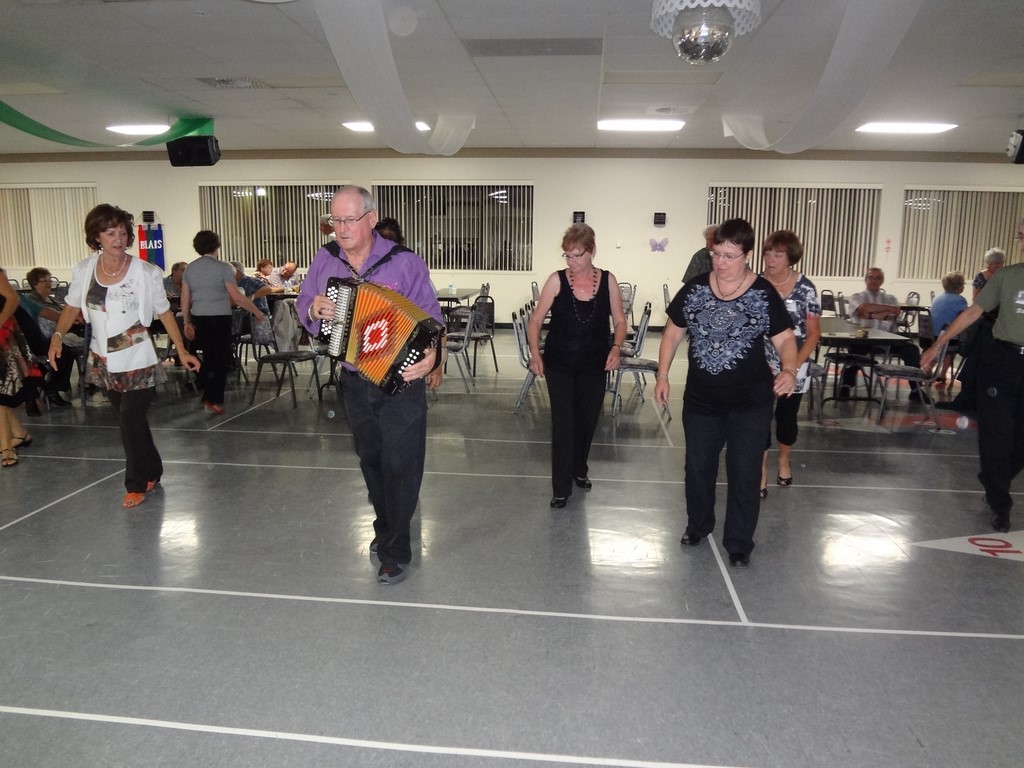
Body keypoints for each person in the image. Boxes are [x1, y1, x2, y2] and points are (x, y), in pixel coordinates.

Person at [297, 185, 445, 585]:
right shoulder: (325, 260)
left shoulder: (405, 263)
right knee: (372, 462)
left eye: (348, 220)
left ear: (370, 218)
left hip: (400, 381)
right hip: (354, 379)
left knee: (402, 464)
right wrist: (312, 306)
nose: (340, 229)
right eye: (334, 221)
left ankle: (396, 550)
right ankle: (387, 527)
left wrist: (433, 355)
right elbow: (304, 299)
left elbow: (432, 320)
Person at [654, 218, 797, 567]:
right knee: (698, 467)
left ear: (747, 255)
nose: (721, 262)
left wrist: (790, 370)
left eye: (730, 256)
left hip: (750, 402)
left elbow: (786, 339)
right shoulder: (695, 289)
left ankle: (739, 541)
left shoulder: (763, 293)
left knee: (744, 470)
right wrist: (662, 374)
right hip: (702, 400)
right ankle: (698, 525)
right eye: (716, 254)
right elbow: (673, 332)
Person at [48, 204, 201, 507]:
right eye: (110, 232)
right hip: (102, 359)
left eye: (122, 232)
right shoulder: (84, 270)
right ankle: (154, 469)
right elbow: (71, 308)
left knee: (130, 419)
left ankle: (135, 484)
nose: (118, 238)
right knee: (132, 421)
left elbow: (164, 312)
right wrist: (56, 337)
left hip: (138, 357)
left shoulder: (145, 272)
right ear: (97, 237)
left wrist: (181, 349)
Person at [921, 218, 1024, 534]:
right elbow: (973, 312)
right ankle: (999, 503)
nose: (1021, 238)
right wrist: (938, 345)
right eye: (1021, 233)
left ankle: (995, 477)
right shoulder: (1007, 276)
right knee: (995, 434)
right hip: (1003, 361)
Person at [526, 223, 627, 509]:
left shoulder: (607, 281)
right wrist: (536, 353)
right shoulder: (556, 280)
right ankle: (561, 487)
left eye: (577, 255)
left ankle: (579, 468)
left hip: (595, 363)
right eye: (567, 256)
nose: (572, 262)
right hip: (559, 363)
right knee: (563, 424)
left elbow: (620, 321)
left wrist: (616, 348)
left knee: (587, 420)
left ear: (592, 251)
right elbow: (535, 320)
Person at [757, 231, 821, 496]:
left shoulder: (806, 288)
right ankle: (760, 469)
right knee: (758, 418)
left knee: (786, 418)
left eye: (778, 254)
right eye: (768, 252)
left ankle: (784, 458)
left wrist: (792, 367)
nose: (770, 259)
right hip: (759, 363)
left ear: (791, 257)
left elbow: (814, 332)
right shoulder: (755, 284)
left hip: (795, 363)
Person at [180, 231, 265, 415]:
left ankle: (208, 393)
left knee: (209, 356)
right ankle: (213, 398)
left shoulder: (190, 269)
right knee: (220, 358)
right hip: (220, 318)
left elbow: (185, 299)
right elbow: (236, 296)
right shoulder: (223, 268)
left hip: (199, 317)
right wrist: (256, 311)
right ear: (217, 246)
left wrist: (187, 322)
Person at [840, 267, 925, 400]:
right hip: (864, 338)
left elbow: (895, 311)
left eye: (877, 278)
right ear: (866, 279)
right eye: (871, 277)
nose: (874, 280)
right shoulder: (857, 297)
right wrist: (883, 311)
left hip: (888, 338)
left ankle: (916, 389)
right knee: (855, 352)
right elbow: (863, 308)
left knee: (911, 350)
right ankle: (845, 386)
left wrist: (870, 314)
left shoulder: (890, 298)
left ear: (882, 280)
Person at [938, 248, 1005, 413]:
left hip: (997, 323)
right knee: (976, 354)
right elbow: (978, 301)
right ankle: (968, 396)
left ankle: (973, 397)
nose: (992, 267)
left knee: (982, 356)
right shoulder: (982, 276)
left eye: (995, 264)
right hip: (986, 320)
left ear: (1001, 264)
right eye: (990, 264)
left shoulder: (1005, 276)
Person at [19, 267, 80, 407]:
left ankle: (50, 387)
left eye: (50, 280)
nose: (49, 283)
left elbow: (45, 311)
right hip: (29, 342)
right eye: (44, 281)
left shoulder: (24, 299)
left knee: (63, 350)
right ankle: (52, 389)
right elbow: (44, 314)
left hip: (36, 339)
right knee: (62, 352)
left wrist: (68, 319)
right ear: (34, 284)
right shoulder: (27, 299)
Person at [0, 268, 42, 468]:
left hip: (4, 340)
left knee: (1, 395)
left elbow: (12, 299)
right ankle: (19, 434)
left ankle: (6, 447)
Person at [928, 271, 968, 388]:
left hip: (930, 337)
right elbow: (963, 317)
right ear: (960, 286)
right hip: (947, 339)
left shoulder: (937, 299)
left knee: (937, 346)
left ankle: (929, 371)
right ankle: (943, 373)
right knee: (952, 348)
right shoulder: (960, 301)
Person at [229, 260, 280, 347]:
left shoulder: (249, 281)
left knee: (227, 324)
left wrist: (253, 296)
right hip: (242, 317)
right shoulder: (231, 284)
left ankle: (228, 349)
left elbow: (267, 289)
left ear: (236, 272)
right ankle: (228, 349)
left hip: (255, 319)